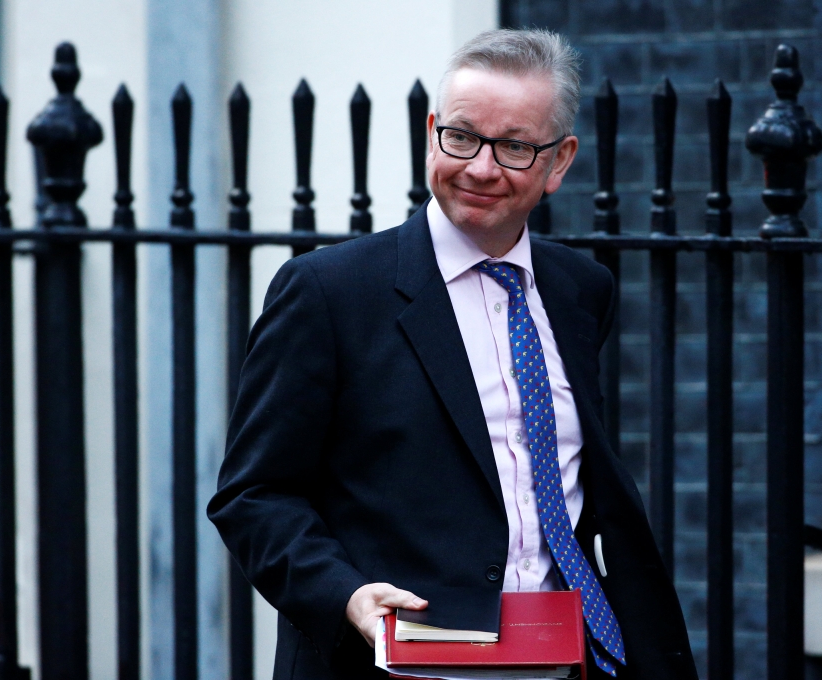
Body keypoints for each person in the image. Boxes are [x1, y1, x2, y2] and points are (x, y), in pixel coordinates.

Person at [208, 28, 697, 680]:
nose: (481, 168)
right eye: (462, 137)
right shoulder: (328, 293)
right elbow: (253, 494)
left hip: (572, 659)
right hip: (398, 664)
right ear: (432, 130)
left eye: (516, 146)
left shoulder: (583, 290)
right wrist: (346, 595)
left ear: (559, 162)